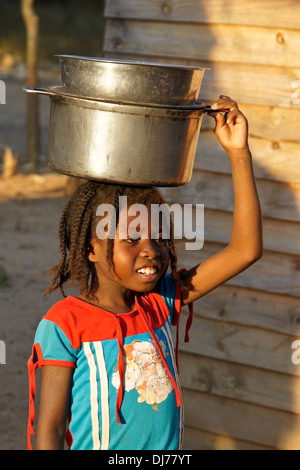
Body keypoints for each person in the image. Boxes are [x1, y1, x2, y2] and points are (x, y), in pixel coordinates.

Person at [27, 96, 263, 450]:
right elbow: (50, 428)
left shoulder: (160, 302)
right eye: (132, 238)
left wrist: (238, 152)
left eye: (158, 237)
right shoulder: (65, 323)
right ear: (91, 249)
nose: (151, 249)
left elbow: (245, 250)